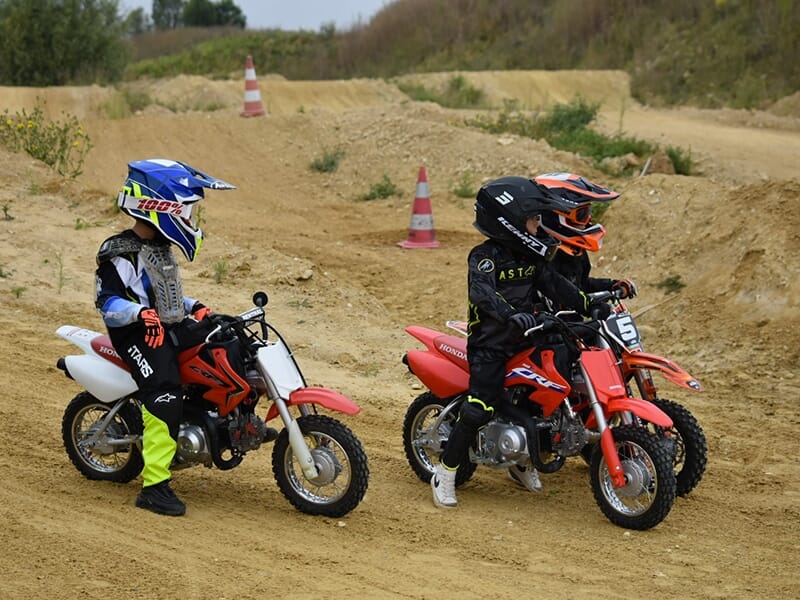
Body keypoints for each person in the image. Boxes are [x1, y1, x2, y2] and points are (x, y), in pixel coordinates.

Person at [431, 176, 608, 509]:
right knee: (479, 407)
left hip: (528, 337)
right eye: (533, 219)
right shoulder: (484, 256)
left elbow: (557, 286)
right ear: (509, 221)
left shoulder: (532, 258)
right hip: (491, 345)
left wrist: (589, 304)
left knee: (544, 397)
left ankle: (522, 459)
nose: (538, 226)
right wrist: (511, 313)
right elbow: (481, 293)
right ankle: (447, 471)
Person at [95, 158, 235, 516]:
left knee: (226, 339)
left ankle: (229, 424)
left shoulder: (161, 247)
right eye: (186, 209)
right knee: (164, 394)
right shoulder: (118, 252)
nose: (190, 218)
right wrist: (141, 314)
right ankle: (154, 486)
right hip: (136, 334)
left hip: (166, 325)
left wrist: (197, 306)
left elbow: (164, 293)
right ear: (160, 205)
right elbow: (107, 302)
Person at [534, 172, 637, 305]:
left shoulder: (574, 251)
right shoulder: (540, 254)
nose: (587, 220)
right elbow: (560, 290)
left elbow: (580, 286)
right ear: (555, 216)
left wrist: (611, 285)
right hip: (547, 322)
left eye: (588, 213)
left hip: (570, 320)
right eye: (581, 215)